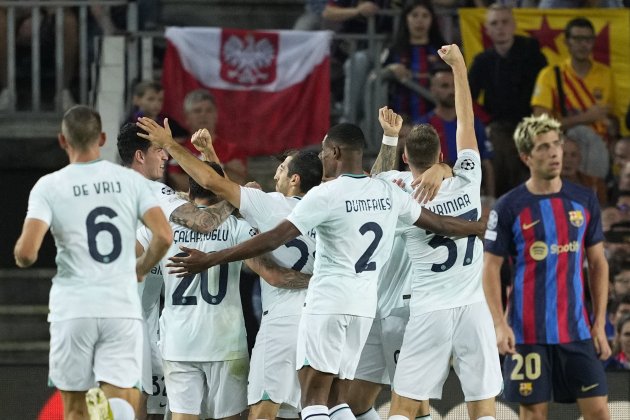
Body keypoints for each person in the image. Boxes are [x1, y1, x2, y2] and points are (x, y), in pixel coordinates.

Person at [141, 117, 485, 420]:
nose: (321, 156)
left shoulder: (314, 200)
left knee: (306, 403)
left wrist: (211, 257)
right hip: (364, 309)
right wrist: (480, 227)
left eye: (323, 150)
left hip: (315, 310)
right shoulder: (383, 191)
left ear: (331, 154)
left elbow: (258, 222)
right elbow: (439, 223)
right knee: (338, 401)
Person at [13, 105, 172, 420]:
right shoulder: (131, 182)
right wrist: (140, 269)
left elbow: (27, 254)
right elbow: (164, 236)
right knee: (124, 400)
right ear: (101, 138)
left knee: (75, 408)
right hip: (120, 308)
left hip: (73, 309)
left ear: (62, 140)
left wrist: (20, 251)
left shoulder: (48, 186)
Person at [137, 161, 310, 420]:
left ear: (190, 190)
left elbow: (127, 264)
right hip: (225, 345)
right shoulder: (237, 229)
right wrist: (319, 280)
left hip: (178, 343)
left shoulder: (162, 229)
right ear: (222, 190)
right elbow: (274, 276)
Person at [385, 44, 502, 420]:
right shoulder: (468, 178)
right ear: (441, 154)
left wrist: (391, 138)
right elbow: (466, 123)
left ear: (406, 159)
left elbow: (374, 179)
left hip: (429, 310)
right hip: (473, 308)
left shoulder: (399, 194)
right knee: (483, 407)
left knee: (403, 406)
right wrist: (459, 68)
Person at [483, 113, 611, 420]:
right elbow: (489, 269)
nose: (554, 152)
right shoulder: (509, 206)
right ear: (526, 156)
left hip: (577, 330)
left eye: (556, 144)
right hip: (527, 333)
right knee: (534, 416)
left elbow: (597, 263)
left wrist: (599, 323)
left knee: (599, 413)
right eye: (543, 147)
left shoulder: (584, 199)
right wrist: (500, 324)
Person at [117, 122, 236, 418]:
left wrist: (209, 154)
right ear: (140, 156)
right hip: (129, 321)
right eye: (159, 149)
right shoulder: (151, 191)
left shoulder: (116, 187)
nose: (165, 156)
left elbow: (205, 196)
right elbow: (206, 219)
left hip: (135, 316)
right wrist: (237, 201)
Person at [468, 3, 547, 197]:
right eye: (495, 23)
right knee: (500, 148)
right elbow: (467, 97)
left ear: (513, 25)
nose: (500, 28)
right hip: (499, 125)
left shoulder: (532, 53)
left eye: (505, 22)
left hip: (533, 120)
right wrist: (486, 121)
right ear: (487, 29)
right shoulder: (482, 61)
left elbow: (546, 87)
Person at [531, 17, 613, 179]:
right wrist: (586, 118)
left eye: (587, 39)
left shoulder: (605, 74)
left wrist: (612, 126)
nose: (583, 44)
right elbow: (540, 124)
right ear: (567, 42)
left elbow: (612, 117)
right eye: (577, 39)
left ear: (593, 42)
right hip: (562, 146)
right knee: (579, 132)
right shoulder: (550, 75)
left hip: (600, 145)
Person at [420, 65, 495, 197]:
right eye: (445, 86)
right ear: (433, 90)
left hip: (468, 194)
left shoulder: (474, 124)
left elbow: (487, 165)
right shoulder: (422, 126)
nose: (451, 91)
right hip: (433, 196)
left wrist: (490, 199)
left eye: (454, 85)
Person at [167, 89, 247, 190]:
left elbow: (237, 182)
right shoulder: (178, 147)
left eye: (209, 110)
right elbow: (178, 182)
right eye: (197, 111)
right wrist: (223, 171)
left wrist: (193, 173)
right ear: (186, 118)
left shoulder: (233, 150)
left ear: (216, 115)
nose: (203, 115)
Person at [381, 0, 446, 123]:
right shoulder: (393, 50)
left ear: (432, 20)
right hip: (400, 122)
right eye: (414, 15)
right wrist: (390, 69)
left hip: (436, 121)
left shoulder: (444, 50)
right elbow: (376, 78)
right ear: (406, 19)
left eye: (425, 16)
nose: (420, 21)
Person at [560, 136, 607, 205]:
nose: (568, 160)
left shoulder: (595, 184)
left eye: (573, 155)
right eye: (563, 155)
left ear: (580, 159)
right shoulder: (543, 185)